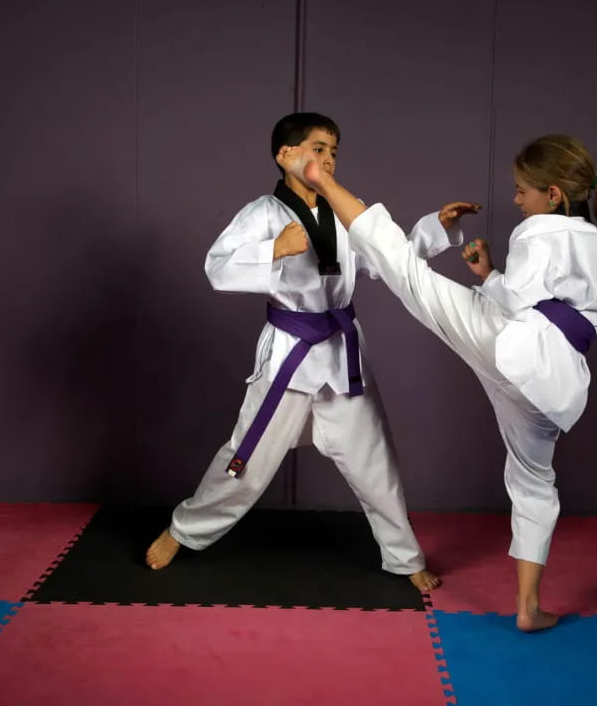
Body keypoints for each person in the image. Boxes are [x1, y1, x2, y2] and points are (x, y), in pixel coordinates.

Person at [275, 125, 597, 629]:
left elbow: (520, 302)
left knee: (405, 270)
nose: (516, 200)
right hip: (553, 387)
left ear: (552, 195)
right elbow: (568, 307)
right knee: (535, 483)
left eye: (522, 191)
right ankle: (528, 607)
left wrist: (495, 283)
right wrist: (489, 277)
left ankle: (323, 182)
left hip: (511, 348)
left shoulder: (538, 231)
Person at [146, 112, 481, 592]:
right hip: (290, 353)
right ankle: (183, 530)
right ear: (284, 154)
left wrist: (435, 230)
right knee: (246, 460)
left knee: (375, 461)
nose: (328, 160)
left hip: (342, 354)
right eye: (317, 149)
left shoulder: (345, 207)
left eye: (333, 152)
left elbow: (384, 257)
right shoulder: (263, 214)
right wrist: (274, 250)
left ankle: (405, 557)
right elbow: (217, 268)